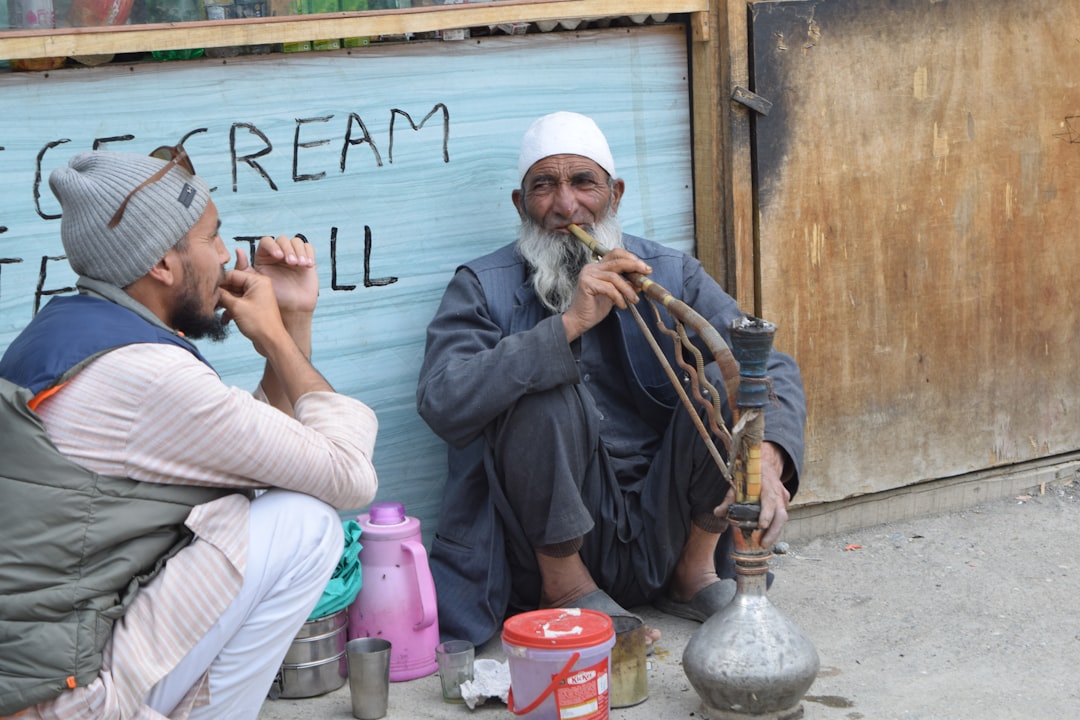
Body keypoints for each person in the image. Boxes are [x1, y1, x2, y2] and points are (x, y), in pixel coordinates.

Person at [0, 149, 379, 719]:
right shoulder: (144, 377)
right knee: (306, 524)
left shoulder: (69, 330)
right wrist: (275, 339)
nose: (227, 257)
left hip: (48, 662)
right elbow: (348, 476)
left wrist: (293, 317)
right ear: (161, 263)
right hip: (65, 696)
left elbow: (259, 452)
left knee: (258, 506)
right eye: (212, 237)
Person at [416, 111, 806, 647]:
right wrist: (569, 325)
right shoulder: (482, 286)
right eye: (544, 186)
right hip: (541, 546)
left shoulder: (668, 274)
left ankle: (693, 575)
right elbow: (442, 399)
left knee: (724, 380)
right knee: (541, 389)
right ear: (520, 203)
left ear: (614, 194)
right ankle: (568, 589)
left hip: (665, 522)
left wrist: (765, 455)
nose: (565, 206)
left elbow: (766, 364)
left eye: (583, 183)